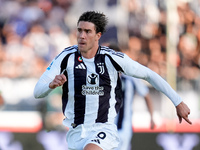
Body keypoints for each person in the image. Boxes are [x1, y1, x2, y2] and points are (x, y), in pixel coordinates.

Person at [34, 11, 192, 150]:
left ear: (98, 35)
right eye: (80, 30)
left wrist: (177, 101)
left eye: (87, 31)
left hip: (103, 130)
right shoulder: (66, 57)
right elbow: (37, 92)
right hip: (75, 133)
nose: (82, 36)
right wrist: (50, 85)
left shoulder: (112, 58)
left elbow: (149, 75)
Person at [108, 44, 155, 150]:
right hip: (105, 127)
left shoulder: (130, 77)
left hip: (124, 128)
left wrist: (151, 117)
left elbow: (146, 95)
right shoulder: (102, 77)